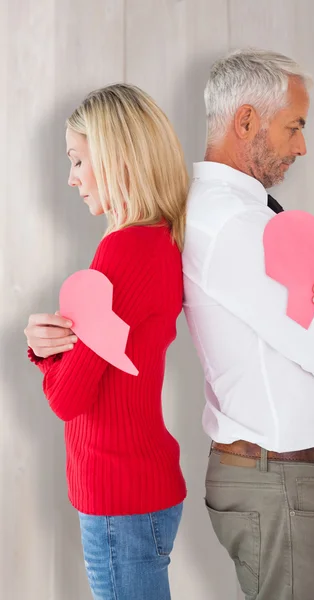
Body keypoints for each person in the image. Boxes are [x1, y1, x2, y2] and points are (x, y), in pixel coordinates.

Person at [183, 49, 314, 600]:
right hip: (283, 484)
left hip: (282, 481)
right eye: (294, 126)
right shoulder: (235, 227)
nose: (303, 146)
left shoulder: (247, 215)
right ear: (247, 121)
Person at [24, 84, 188, 600]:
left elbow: (66, 398)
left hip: (120, 502)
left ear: (116, 158)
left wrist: (47, 360)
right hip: (141, 491)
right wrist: (49, 345)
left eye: (77, 160)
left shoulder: (121, 252)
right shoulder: (159, 239)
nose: (71, 178)